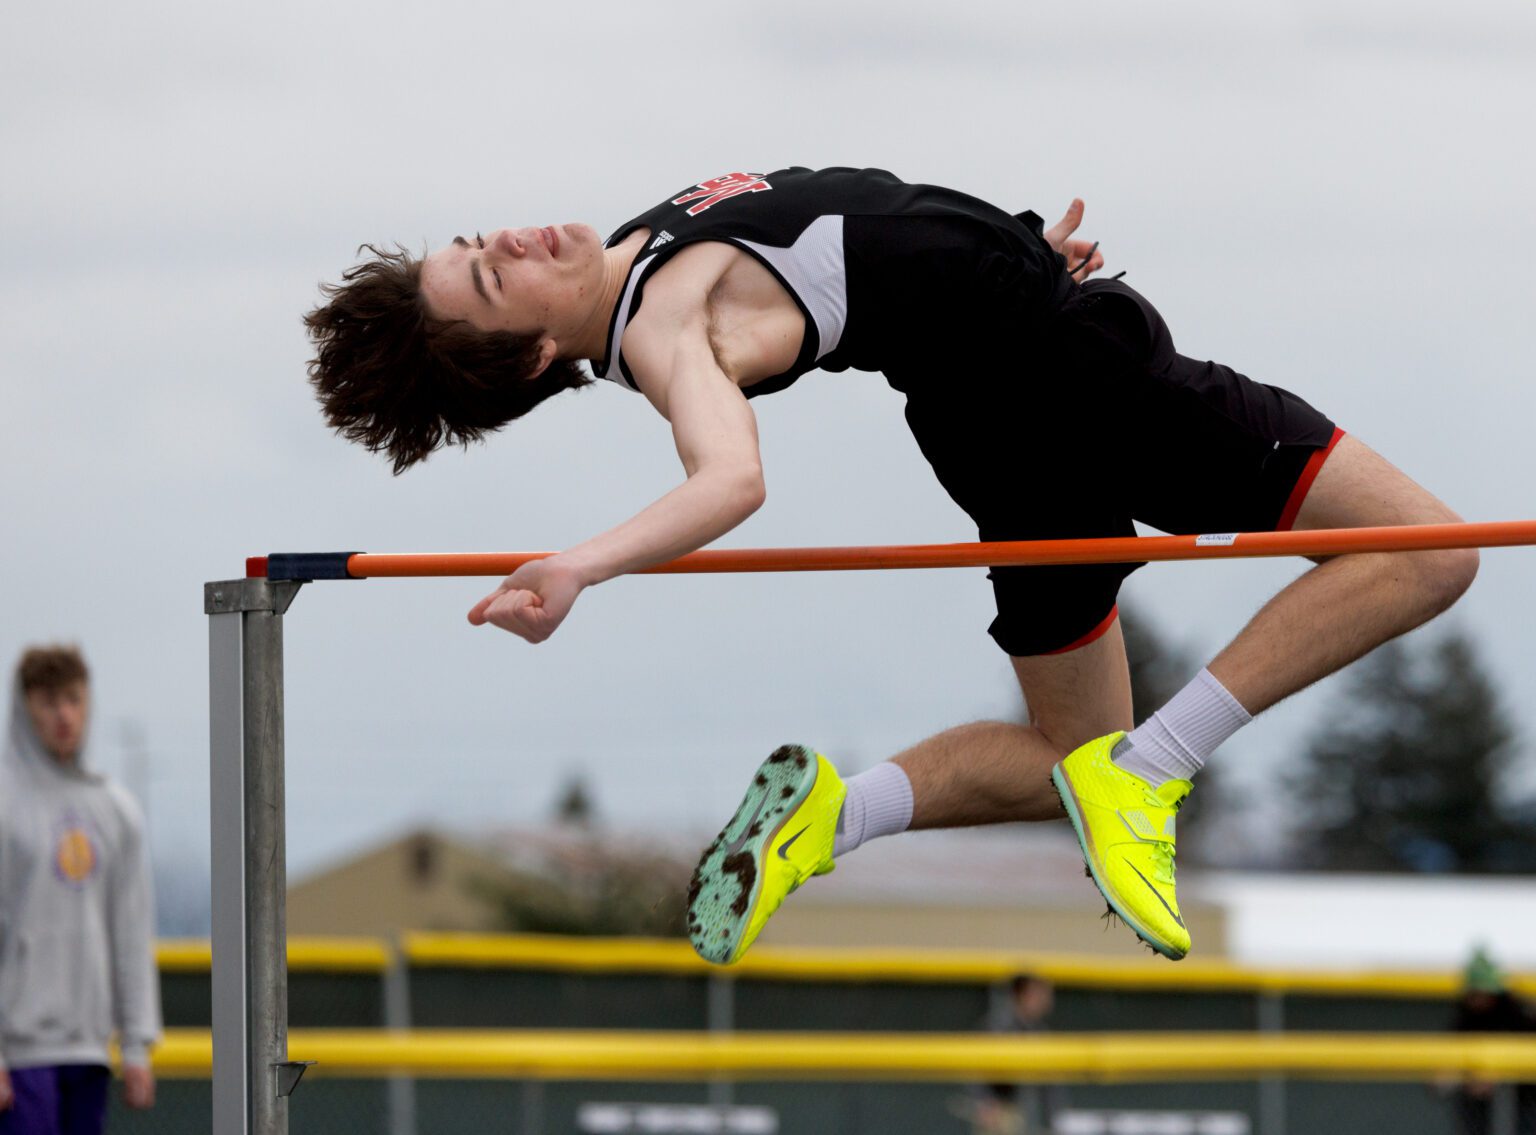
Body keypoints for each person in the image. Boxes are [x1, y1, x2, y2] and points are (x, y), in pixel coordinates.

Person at [304, 166, 1476, 963]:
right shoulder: (667, 325)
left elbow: (868, 235)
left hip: (991, 398)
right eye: (495, 279)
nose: (505, 239)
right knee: (1430, 554)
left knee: (1067, 753)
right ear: (533, 360)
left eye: (474, 244)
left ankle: (829, 816)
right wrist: (578, 567)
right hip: (1069, 375)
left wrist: (1003, 255)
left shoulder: (636, 246)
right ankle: (1159, 770)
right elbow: (730, 479)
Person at [0, 647, 160, 1133]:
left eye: (73, 699)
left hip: (90, 1049)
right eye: (49, 702)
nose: (64, 715)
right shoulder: (5, 804)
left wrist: (136, 1048)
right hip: (21, 1053)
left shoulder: (116, 809)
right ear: (25, 707)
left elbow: (130, 934)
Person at [1448, 947, 1536, 1135]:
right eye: (1475, 993)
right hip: (1481, 1113)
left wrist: (1501, 1076)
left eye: (1484, 993)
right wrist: (1464, 1077)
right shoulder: (1464, 1021)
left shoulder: (1517, 1017)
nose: (1479, 999)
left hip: (1523, 1108)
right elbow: (1440, 1080)